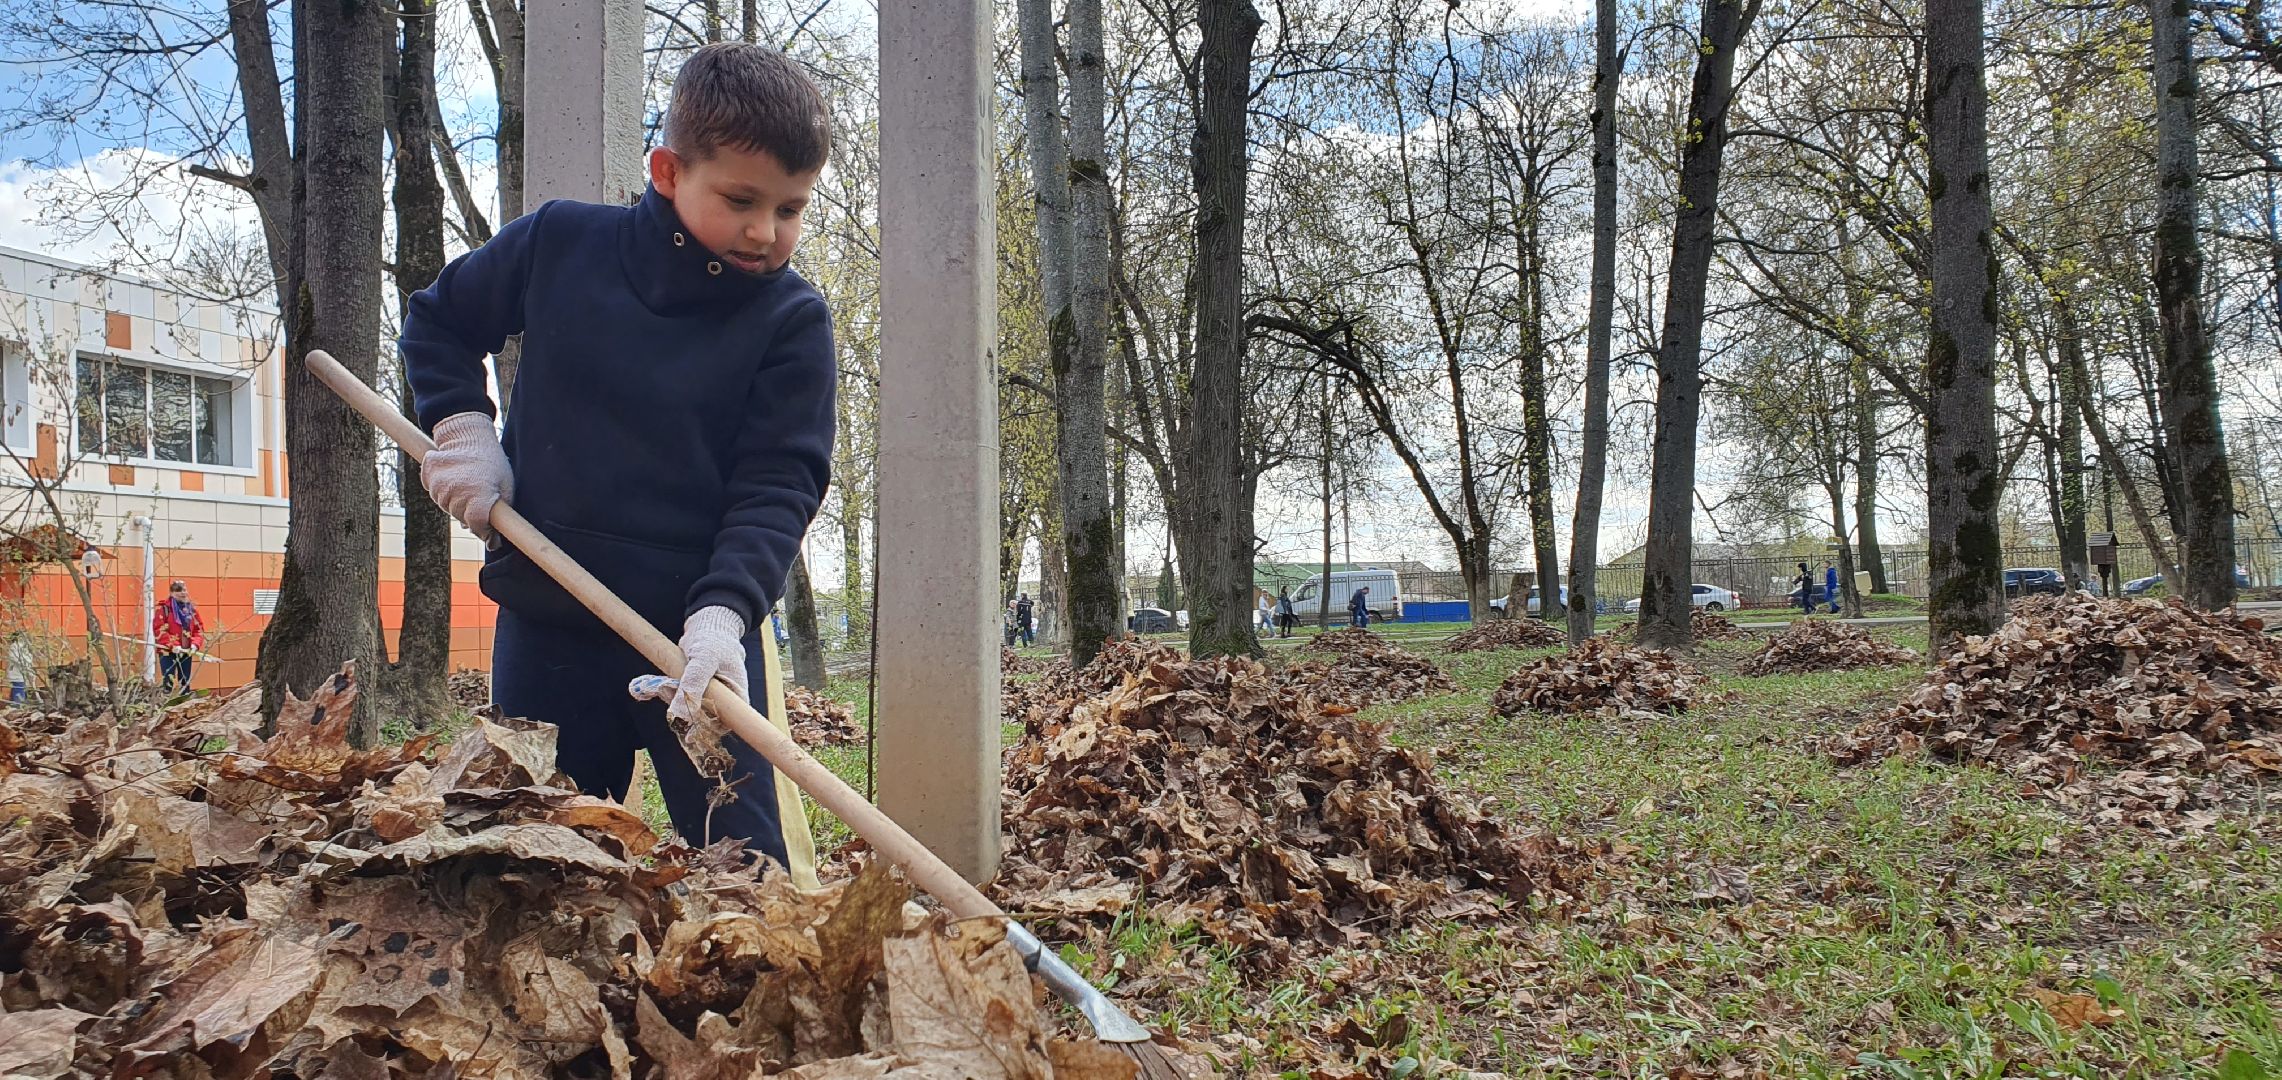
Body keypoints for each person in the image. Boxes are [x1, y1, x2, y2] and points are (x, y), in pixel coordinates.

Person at [403, 43, 835, 866]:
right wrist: (463, 430)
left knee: (749, 872)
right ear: (668, 170)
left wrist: (723, 616)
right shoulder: (562, 245)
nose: (764, 231)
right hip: (547, 623)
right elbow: (440, 322)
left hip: (698, 642)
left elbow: (778, 485)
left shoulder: (792, 321)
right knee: (538, 857)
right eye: (742, 199)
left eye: (790, 209)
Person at [152, 579, 206, 695]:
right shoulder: (164, 610)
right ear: (172, 593)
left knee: (185, 681)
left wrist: (195, 644)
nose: (182, 593)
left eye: (184, 590)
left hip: (186, 651)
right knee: (168, 680)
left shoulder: (191, 611)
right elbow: (159, 630)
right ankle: (166, 705)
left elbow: (199, 630)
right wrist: (173, 645)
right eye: (178, 590)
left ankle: (183, 706)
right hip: (167, 651)